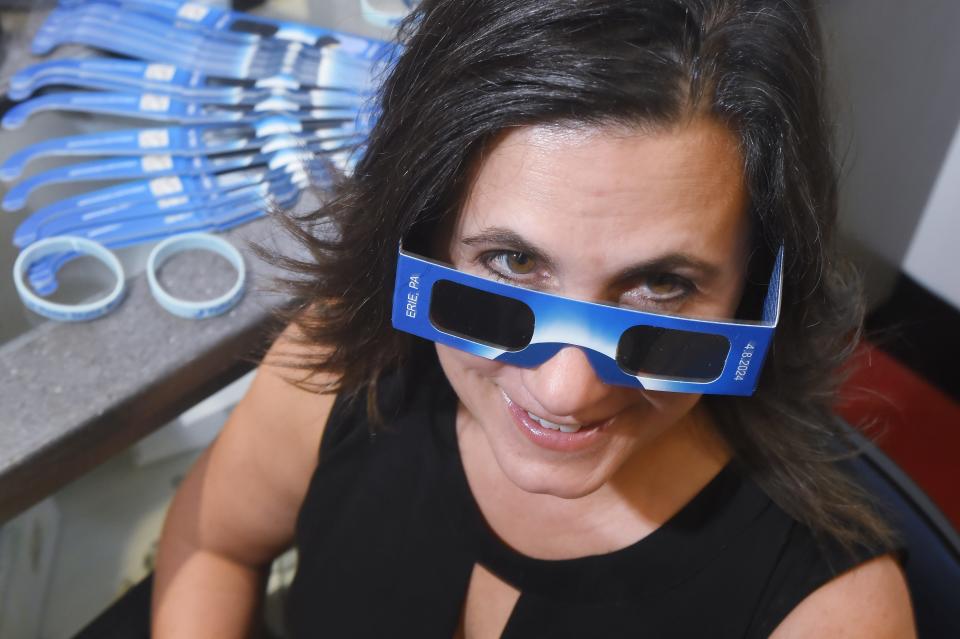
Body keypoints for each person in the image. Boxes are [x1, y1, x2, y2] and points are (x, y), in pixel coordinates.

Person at [151, 0, 916, 637]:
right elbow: (212, 545)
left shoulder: (828, 614)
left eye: (661, 284)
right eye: (512, 264)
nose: (563, 390)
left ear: (756, 288)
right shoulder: (346, 362)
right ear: (427, 229)